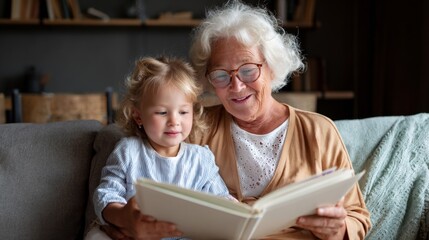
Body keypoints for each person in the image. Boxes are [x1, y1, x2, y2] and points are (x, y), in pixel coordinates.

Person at [102, 1, 371, 239]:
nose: (236, 86)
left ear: (271, 66)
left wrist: (337, 230)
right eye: (221, 74)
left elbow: (358, 218)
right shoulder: (193, 127)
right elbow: (130, 193)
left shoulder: (319, 131)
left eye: (248, 70)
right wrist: (126, 226)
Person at [86, 56, 234, 240]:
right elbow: (106, 196)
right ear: (138, 116)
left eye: (183, 112)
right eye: (162, 112)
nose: (174, 121)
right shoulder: (129, 151)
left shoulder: (200, 158)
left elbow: (220, 198)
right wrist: (125, 217)